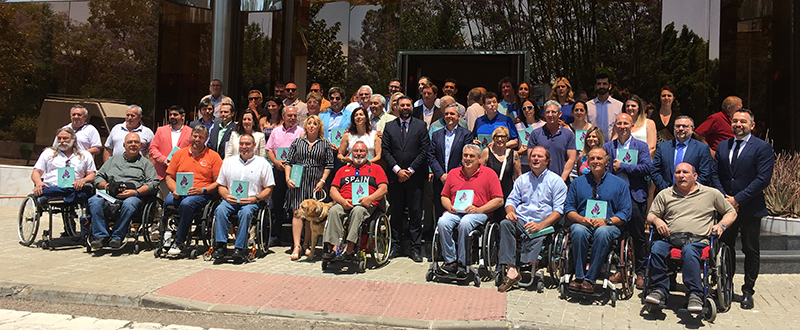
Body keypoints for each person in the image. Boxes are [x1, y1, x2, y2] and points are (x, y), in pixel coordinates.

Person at [645, 162, 737, 311]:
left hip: (698, 241)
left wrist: (721, 225)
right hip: (671, 239)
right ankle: (659, 290)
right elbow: (651, 215)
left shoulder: (711, 193)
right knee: (657, 248)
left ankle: (695, 293)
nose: (681, 175)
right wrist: (657, 220)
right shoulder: (665, 194)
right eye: (678, 172)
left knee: (689, 251)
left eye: (685, 172)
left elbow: (731, 212)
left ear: (695, 176)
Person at [711, 108, 775, 310]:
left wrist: (737, 199)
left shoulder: (762, 148)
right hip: (725, 207)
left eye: (743, 122)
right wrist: (724, 199)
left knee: (750, 250)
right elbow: (715, 174)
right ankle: (726, 285)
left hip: (750, 208)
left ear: (752, 125)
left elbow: (762, 179)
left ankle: (748, 290)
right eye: (735, 121)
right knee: (725, 247)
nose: (738, 124)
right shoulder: (722, 146)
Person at [497, 146, 568, 292]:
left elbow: (559, 211)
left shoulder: (556, 181)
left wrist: (541, 225)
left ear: (547, 161)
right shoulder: (522, 179)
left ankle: (526, 262)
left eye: (540, 156)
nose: (535, 159)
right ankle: (511, 270)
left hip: (543, 222)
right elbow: (511, 201)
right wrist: (510, 211)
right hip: (521, 219)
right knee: (505, 223)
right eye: (533, 156)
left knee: (536, 233)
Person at [565, 147, 631, 293]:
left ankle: (590, 279)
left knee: (602, 233)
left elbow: (625, 213)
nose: (595, 161)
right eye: (592, 159)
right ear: (587, 162)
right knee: (577, 230)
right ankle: (579, 277)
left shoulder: (619, 184)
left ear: (607, 162)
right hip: (583, 222)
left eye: (599, 158)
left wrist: (606, 221)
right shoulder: (578, 182)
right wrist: (581, 219)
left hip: (608, 225)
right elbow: (569, 208)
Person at [436, 144, 504, 275]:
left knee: (465, 223)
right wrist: (449, 205)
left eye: (472, 156)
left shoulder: (489, 174)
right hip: (456, 211)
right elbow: (444, 196)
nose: (468, 158)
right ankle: (450, 261)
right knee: (442, 222)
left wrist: (480, 209)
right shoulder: (453, 173)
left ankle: (463, 262)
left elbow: (499, 200)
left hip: (479, 212)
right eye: (465, 155)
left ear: (479, 158)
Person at [602, 112, 652, 287]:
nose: (622, 126)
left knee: (638, 235)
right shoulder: (608, 147)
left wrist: (623, 166)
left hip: (634, 195)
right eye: (619, 123)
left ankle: (640, 272)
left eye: (626, 123)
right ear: (615, 126)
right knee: (616, 235)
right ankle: (620, 271)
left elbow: (647, 168)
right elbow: (603, 170)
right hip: (614, 198)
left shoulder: (641, 146)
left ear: (632, 126)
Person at [89, 133, 159, 249]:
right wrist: (107, 186)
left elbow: (154, 183)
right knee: (94, 201)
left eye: (136, 142)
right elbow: (98, 177)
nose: (133, 145)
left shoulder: (146, 164)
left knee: (129, 204)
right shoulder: (113, 161)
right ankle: (100, 236)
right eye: (129, 142)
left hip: (133, 195)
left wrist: (136, 192)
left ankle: (117, 236)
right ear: (124, 145)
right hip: (111, 194)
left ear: (140, 145)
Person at [381, 96, 430, 262]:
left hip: (414, 177)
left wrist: (409, 170)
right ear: (396, 106)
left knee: (415, 213)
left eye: (408, 105)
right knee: (396, 212)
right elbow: (386, 150)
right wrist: (397, 170)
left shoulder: (421, 126)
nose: (405, 107)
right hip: (395, 178)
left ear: (411, 107)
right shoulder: (389, 126)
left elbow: (424, 151)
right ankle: (395, 245)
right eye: (402, 105)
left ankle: (415, 248)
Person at [211, 134, 275, 259]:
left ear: (254, 145)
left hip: (251, 201)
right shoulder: (229, 162)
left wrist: (255, 198)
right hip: (231, 200)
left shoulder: (263, 163)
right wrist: (226, 195)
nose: (244, 147)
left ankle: (240, 247)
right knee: (220, 210)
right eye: (241, 144)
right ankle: (220, 245)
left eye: (247, 144)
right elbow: (221, 185)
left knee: (245, 213)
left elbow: (269, 189)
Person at [322, 141, 389, 259]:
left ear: (367, 153)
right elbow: (333, 190)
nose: (359, 154)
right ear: (351, 153)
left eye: (362, 151)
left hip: (366, 204)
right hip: (345, 202)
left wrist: (370, 198)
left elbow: (383, 188)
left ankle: (349, 248)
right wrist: (342, 201)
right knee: (333, 210)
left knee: (358, 211)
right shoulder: (342, 170)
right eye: (356, 151)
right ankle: (335, 248)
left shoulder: (376, 168)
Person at [162, 125, 222, 255]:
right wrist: (174, 189)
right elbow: (169, 177)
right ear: (191, 137)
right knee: (168, 202)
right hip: (180, 191)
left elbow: (218, 182)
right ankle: (167, 233)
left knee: (187, 204)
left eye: (201, 137)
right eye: (195, 136)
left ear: (206, 139)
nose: (197, 139)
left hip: (201, 194)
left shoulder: (213, 156)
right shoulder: (179, 154)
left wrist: (203, 190)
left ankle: (179, 240)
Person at [285, 115, 335, 260]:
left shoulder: (325, 144)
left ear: (319, 127)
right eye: (309, 123)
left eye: (315, 124)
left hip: (315, 181)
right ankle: (296, 246)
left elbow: (329, 165)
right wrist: (288, 178)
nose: (312, 126)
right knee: (297, 212)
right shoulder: (297, 142)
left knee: (310, 214)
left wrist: (323, 180)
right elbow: (288, 161)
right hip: (297, 179)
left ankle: (307, 244)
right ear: (306, 126)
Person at [265, 105, 304, 246]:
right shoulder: (275, 131)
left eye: (294, 116)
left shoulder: (301, 131)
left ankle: (300, 239)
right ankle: (275, 235)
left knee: (297, 204)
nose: (292, 118)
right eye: (289, 116)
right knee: (277, 204)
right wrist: (275, 162)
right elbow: (269, 150)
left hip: (295, 171)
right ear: (283, 117)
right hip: (278, 169)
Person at [429, 104, 473, 219]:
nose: (449, 116)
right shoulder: (436, 135)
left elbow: (466, 158)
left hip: (460, 179)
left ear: (459, 116)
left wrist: (452, 175)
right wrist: (441, 175)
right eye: (447, 113)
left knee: (457, 211)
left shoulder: (466, 135)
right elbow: (431, 156)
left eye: (452, 114)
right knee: (439, 210)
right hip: (440, 180)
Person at [33, 127, 96, 206]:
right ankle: (68, 195)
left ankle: (67, 194)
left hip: (75, 187)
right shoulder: (48, 153)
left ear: (73, 140)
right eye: (59, 138)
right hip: (52, 186)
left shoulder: (85, 155)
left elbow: (92, 175)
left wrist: (83, 181)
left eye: (65, 138)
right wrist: (38, 183)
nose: (62, 141)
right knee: (43, 190)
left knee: (88, 190)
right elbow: (36, 171)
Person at [651, 115, 713, 192]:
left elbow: (705, 173)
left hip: (692, 195)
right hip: (667, 194)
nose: (680, 129)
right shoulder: (663, 147)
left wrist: (690, 189)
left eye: (685, 126)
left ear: (692, 129)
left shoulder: (702, 148)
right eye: (677, 126)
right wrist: (666, 189)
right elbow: (655, 170)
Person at [527, 100, 576, 182]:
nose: (550, 115)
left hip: (561, 179)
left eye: (553, 112)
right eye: (548, 112)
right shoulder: (535, 133)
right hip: (539, 181)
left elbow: (571, 158)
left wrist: (562, 179)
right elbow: (530, 157)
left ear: (559, 114)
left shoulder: (568, 134)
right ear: (544, 114)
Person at [480, 126, 521, 221]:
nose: (499, 140)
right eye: (496, 137)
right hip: (490, 193)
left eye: (503, 137)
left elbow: (518, 176)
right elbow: (480, 172)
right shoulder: (486, 152)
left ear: (507, 138)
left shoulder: (514, 154)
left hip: (507, 191)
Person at [150, 106, 192, 181]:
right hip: (162, 174)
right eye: (170, 114)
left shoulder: (190, 132)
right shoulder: (161, 130)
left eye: (175, 114)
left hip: (181, 174)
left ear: (183, 116)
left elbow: (193, 150)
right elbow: (153, 148)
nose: (172, 117)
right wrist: (163, 160)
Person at [586, 73, 623, 138]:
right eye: (599, 84)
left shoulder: (619, 106)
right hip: (593, 144)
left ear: (610, 86)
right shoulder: (588, 106)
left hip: (613, 145)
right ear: (595, 87)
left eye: (604, 84)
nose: (601, 86)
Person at [515, 99, 546, 173]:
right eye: (524, 108)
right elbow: (515, 141)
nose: (527, 110)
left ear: (535, 109)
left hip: (540, 163)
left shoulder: (544, 125)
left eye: (530, 107)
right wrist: (519, 151)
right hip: (523, 163)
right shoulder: (517, 126)